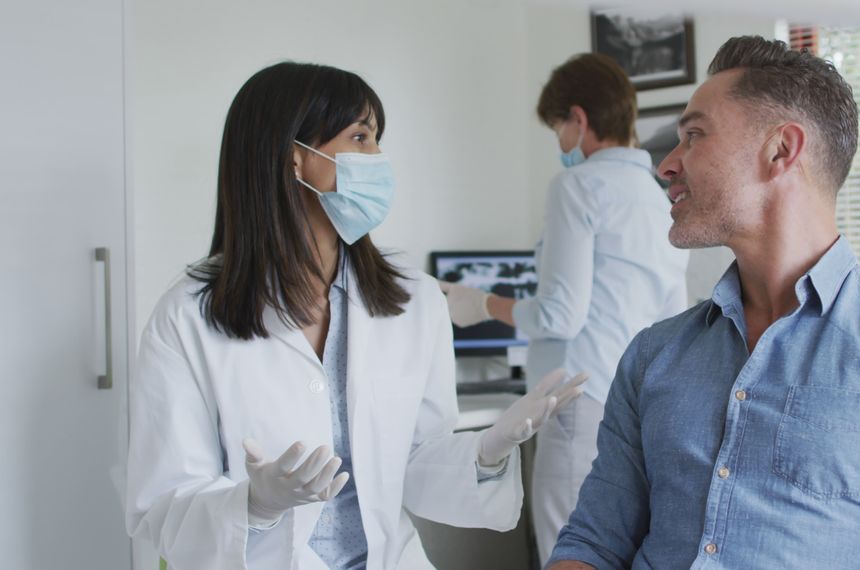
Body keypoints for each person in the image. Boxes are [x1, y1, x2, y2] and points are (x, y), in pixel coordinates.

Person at [124, 62, 586, 570]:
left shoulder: (413, 298)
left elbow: (411, 465)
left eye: (376, 139)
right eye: (361, 138)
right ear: (294, 158)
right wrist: (254, 506)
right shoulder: (189, 316)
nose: (378, 159)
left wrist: (486, 451)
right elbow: (161, 507)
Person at [547, 36, 860, 569]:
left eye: (694, 136)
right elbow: (593, 543)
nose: (667, 165)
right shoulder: (652, 355)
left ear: (780, 151)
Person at [439, 53, 689, 563]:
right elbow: (673, 317)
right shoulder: (659, 196)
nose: (560, 144)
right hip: (639, 404)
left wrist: (481, 302)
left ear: (578, 119)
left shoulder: (576, 187)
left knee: (568, 549)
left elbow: (558, 315)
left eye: (557, 128)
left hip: (577, 401)